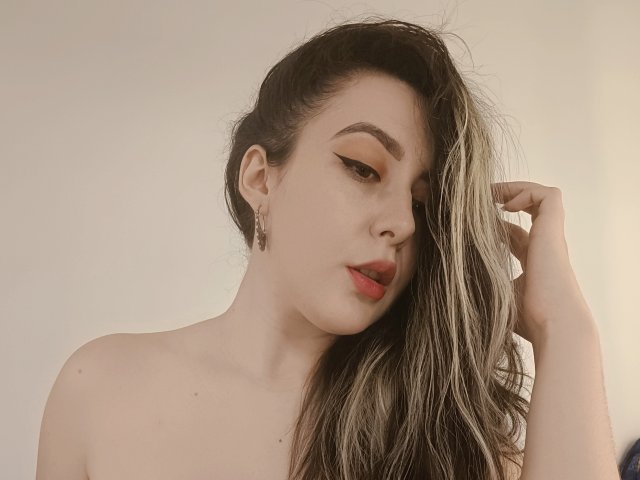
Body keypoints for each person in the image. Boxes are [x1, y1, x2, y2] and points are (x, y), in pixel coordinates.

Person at [35, 17, 619, 480]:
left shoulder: (454, 441)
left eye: (422, 204)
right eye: (363, 168)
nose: (402, 223)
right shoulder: (99, 388)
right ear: (260, 178)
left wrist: (565, 330)